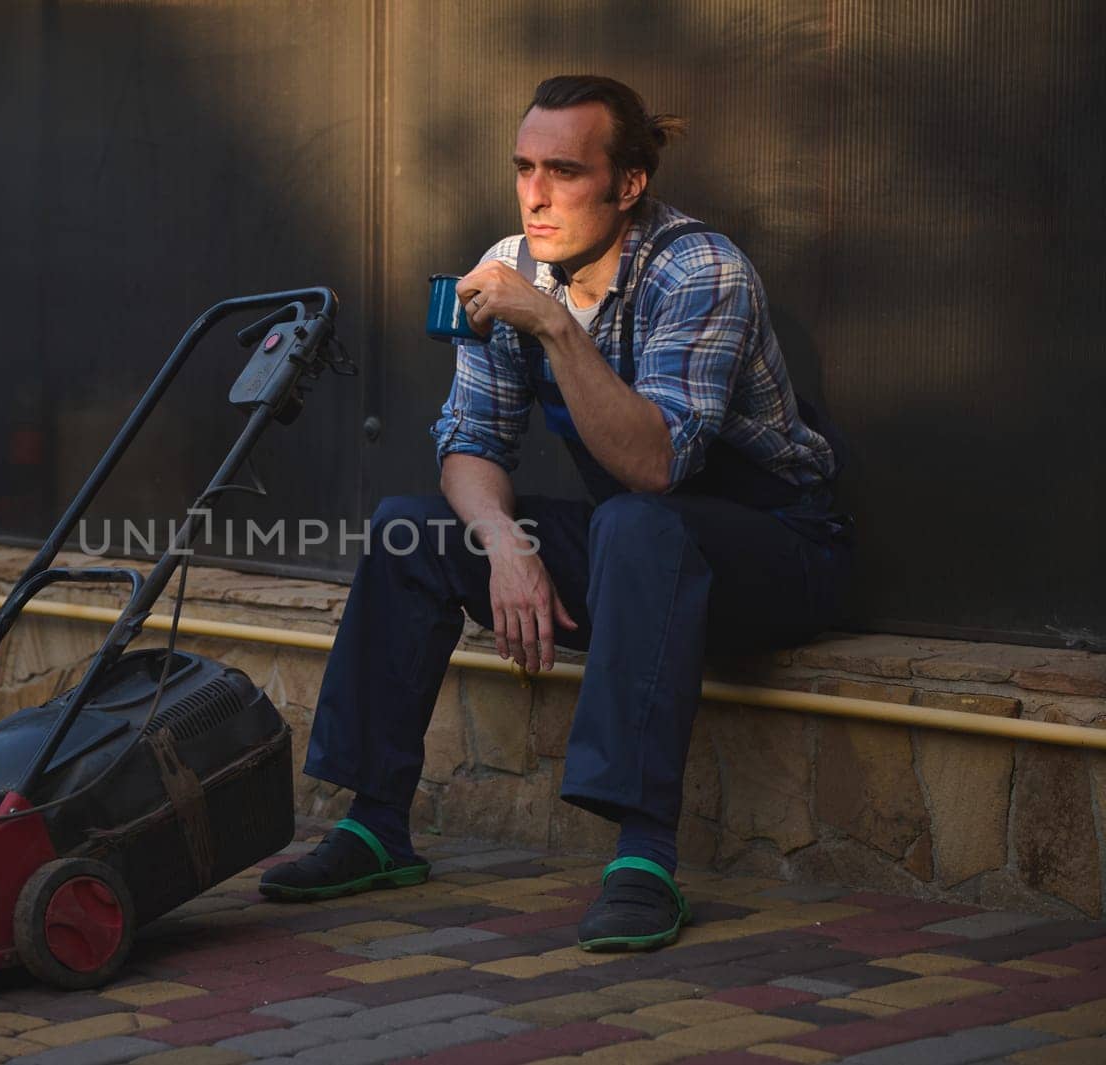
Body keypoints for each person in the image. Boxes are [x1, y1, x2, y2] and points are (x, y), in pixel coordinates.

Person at [259, 74, 852, 951]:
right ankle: (376, 822)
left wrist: (556, 326)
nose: (536, 194)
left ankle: (645, 857)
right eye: (525, 167)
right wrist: (505, 547)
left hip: (776, 549)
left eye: (565, 171)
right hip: (638, 552)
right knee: (409, 526)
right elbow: (467, 441)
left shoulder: (700, 270)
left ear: (628, 185)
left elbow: (656, 465)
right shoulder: (514, 265)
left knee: (636, 523)